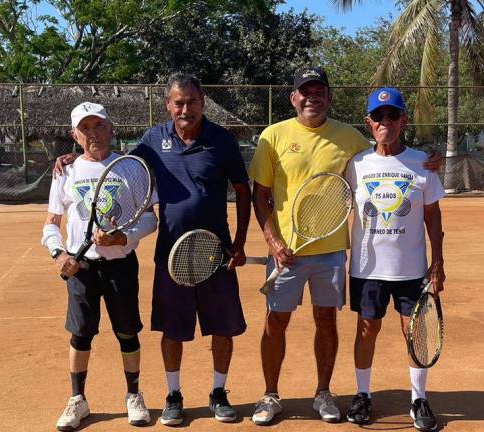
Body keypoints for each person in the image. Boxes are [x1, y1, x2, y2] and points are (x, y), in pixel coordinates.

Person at [248, 68, 443, 425]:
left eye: (319, 91)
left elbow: (394, 160)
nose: (311, 98)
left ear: (330, 97)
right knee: (275, 321)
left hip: (332, 253)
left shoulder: (351, 141)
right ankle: (270, 395)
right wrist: (273, 241)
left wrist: (433, 155)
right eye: (304, 92)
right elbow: (258, 196)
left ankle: (324, 393)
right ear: (293, 97)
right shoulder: (272, 137)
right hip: (287, 252)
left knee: (327, 321)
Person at [55, 73, 251, 426]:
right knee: (172, 329)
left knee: (221, 329)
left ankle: (218, 393)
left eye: (191, 101)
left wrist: (238, 243)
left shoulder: (222, 140)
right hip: (171, 254)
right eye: (178, 102)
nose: (185, 109)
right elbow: (112, 161)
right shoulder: (153, 139)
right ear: (168, 105)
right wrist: (74, 155)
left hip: (214, 251)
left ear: (202, 102)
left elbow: (243, 189)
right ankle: (173, 396)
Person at [43, 102, 157, 431]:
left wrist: (124, 237)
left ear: (111, 129)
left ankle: (133, 396)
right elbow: (51, 222)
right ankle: (78, 400)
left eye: (99, 126)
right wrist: (58, 254)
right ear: (75, 135)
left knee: (127, 332)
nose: (93, 134)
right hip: (81, 270)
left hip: (121, 266)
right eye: (86, 128)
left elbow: (150, 218)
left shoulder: (132, 168)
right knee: (81, 334)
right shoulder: (66, 171)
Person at [344, 87, 445, 432]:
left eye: (392, 115)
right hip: (366, 268)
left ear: (404, 120)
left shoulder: (423, 162)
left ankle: (419, 399)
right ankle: (362, 395)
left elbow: (433, 216)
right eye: (378, 116)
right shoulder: (355, 165)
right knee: (366, 329)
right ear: (368, 122)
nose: (385, 122)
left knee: (413, 331)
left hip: (411, 268)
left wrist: (438, 262)